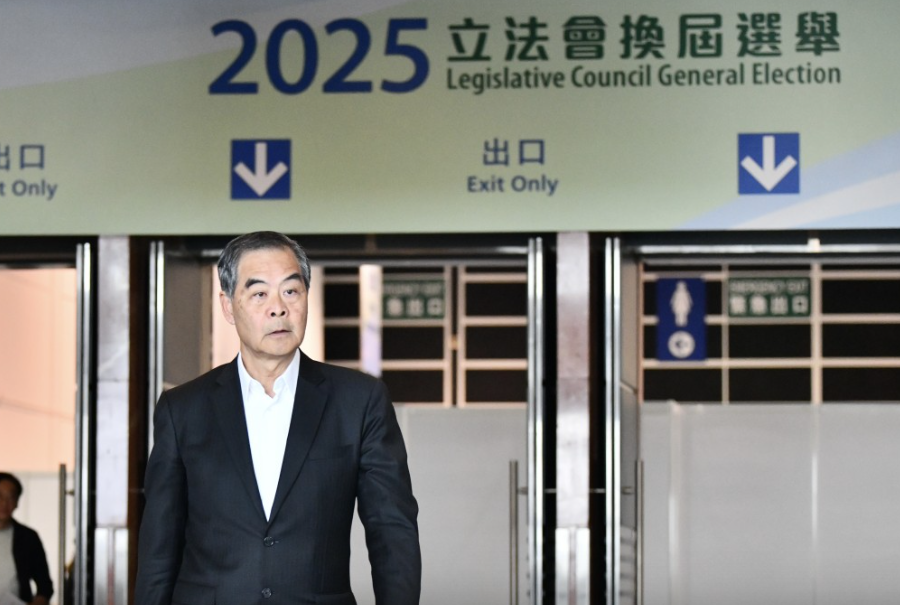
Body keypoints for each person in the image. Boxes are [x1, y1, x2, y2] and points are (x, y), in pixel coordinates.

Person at [134, 231, 420, 605]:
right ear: (228, 306)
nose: (278, 308)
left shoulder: (358, 401)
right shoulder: (183, 409)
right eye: (259, 294)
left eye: (291, 291)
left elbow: (392, 532)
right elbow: (159, 547)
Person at [0, 472, 53, 605]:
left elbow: (45, 586)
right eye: (0, 496)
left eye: (10, 498)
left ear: (17, 502)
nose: (4, 503)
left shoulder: (27, 538)